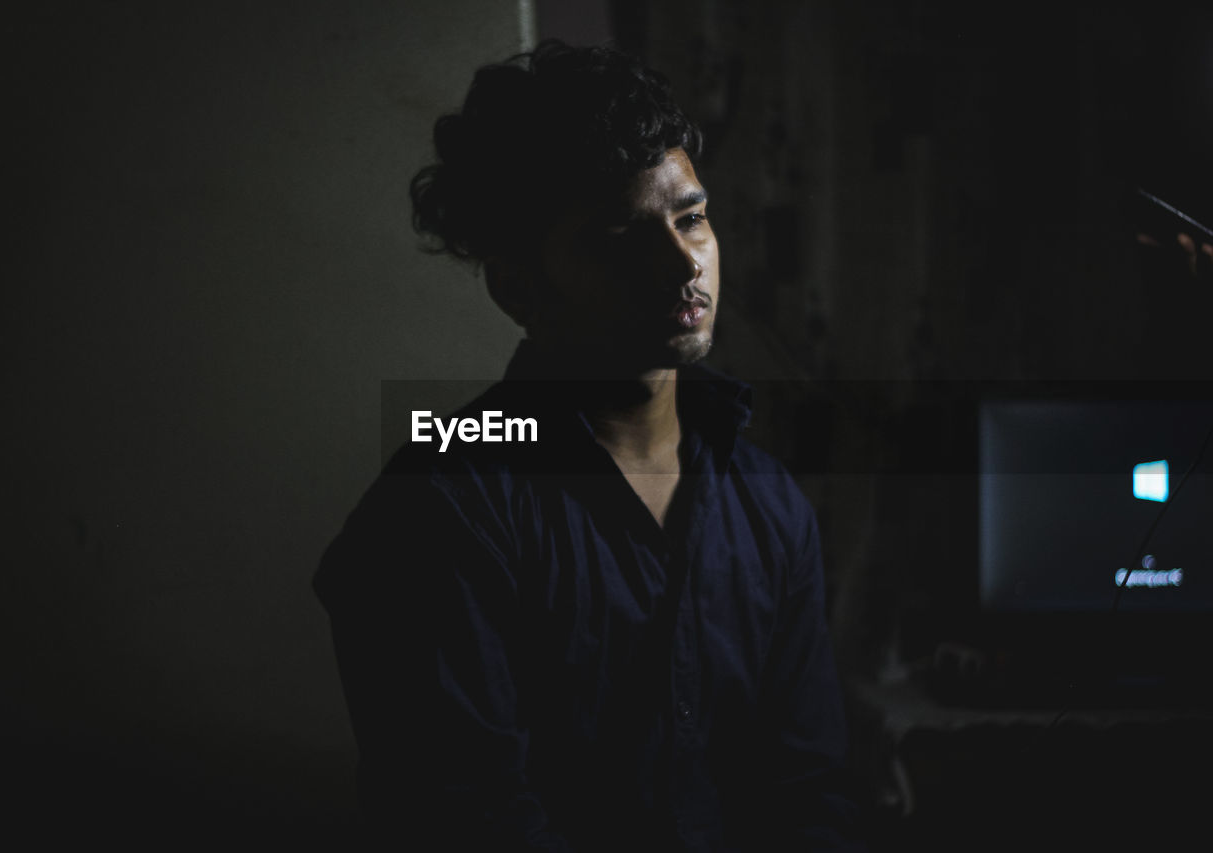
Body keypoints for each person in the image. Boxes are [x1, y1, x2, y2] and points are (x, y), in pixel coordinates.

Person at [315, 39, 866, 852]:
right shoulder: (442, 504)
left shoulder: (769, 501)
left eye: (693, 217)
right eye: (619, 235)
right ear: (518, 286)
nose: (685, 263)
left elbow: (809, 793)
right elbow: (469, 819)